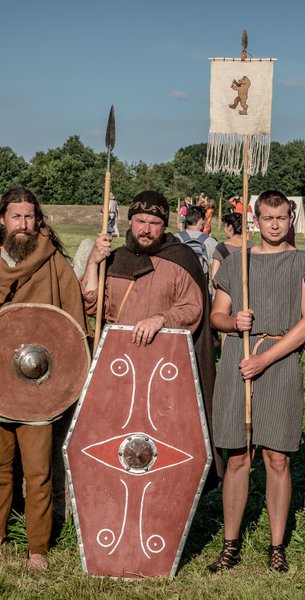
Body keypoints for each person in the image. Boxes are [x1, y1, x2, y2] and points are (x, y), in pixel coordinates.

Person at [0, 187, 85, 571]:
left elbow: (72, 322)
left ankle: (37, 549)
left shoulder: (54, 263)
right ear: (1, 220)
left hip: (41, 380)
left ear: (37, 220)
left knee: (38, 471)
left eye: (29, 217)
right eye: (16, 217)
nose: (23, 225)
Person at [208, 190, 305, 573]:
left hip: (279, 359)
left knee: (278, 457)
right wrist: (234, 322)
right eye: (267, 218)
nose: (273, 224)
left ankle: (276, 545)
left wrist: (267, 357)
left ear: (291, 220)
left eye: (281, 218)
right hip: (239, 357)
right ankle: (231, 543)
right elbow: (216, 315)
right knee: (237, 455)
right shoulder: (236, 263)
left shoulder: (304, 262)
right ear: (255, 219)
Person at [82, 190, 218, 477]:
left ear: (165, 224)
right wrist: (94, 263)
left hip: (163, 369)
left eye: (154, 223)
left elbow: (193, 308)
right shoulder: (115, 258)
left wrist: (162, 318)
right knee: (117, 438)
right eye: (141, 221)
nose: (146, 229)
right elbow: (93, 306)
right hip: (119, 367)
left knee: (160, 443)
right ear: (130, 222)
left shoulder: (181, 259)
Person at [175, 205, 218, 278]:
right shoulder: (211, 242)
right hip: (201, 285)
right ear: (201, 220)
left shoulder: (175, 238)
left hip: (181, 282)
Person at [210, 211, 252, 281]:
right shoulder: (252, 246)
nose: (224, 230)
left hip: (228, 289)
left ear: (229, 227)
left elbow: (214, 277)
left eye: (225, 226)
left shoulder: (221, 248)